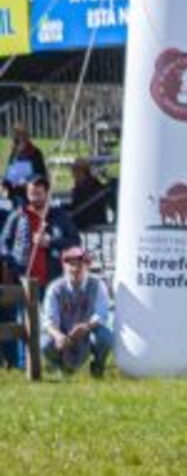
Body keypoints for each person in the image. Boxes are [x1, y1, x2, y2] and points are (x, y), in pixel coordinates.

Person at [39, 246, 113, 377]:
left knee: (105, 337)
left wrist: (86, 326)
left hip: (88, 332)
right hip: (63, 334)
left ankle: (98, 367)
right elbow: (49, 320)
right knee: (44, 343)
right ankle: (62, 369)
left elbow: (102, 315)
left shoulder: (98, 285)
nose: (75, 269)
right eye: (71, 264)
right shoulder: (55, 288)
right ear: (64, 266)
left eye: (80, 265)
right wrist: (58, 336)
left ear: (87, 266)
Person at [65, 158, 114, 231]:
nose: (74, 175)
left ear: (84, 172)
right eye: (73, 172)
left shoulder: (94, 188)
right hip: (84, 221)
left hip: (93, 224)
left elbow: (84, 209)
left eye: (76, 172)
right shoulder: (79, 188)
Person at [5, 126, 48, 208]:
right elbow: (10, 172)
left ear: (26, 139)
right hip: (15, 192)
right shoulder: (14, 153)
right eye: (15, 141)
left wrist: (28, 182)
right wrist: (6, 182)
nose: (17, 143)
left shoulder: (35, 153)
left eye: (19, 140)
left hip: (31, 192)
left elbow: (41, 174)